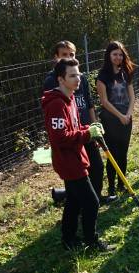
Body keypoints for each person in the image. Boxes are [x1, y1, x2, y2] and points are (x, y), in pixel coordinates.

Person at [41, 58, 113, 251]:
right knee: (91, 202)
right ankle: (92, 241)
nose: (77, 78)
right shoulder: (56, 104)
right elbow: (59, 138)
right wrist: (87, 134)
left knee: (73, 200)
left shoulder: (70, 97)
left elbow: (72, 127)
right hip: (69, 161)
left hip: (76, 157)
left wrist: (88, 127)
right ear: (61, 79)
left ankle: (68, 238)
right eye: (72, 75)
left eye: (78, 74)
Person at [42, 41, 107, 204]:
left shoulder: (80, 78)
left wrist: (94, 125)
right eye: (64, 55)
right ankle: (84, 202)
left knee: (97, 167)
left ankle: (94, 198)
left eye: (71, 54)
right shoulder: (52, 81)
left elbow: (89, 102)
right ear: (56, 57)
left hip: (85, 129)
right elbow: (55, 117)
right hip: (71, 137)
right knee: (74, 173)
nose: (68, 57)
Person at [96, 41, 135, 201]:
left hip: (127, 118)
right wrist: (120, 116)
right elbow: (104, 101)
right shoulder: (102, 76)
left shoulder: (126, 72)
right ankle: (111, 187)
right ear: (109, 55)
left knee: (123, 153)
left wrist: (128, 114)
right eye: (114, 54)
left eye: (120, 54)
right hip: (110, 121)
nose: (118, 57)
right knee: (112, 154)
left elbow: (132, 96)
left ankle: (121, 184)